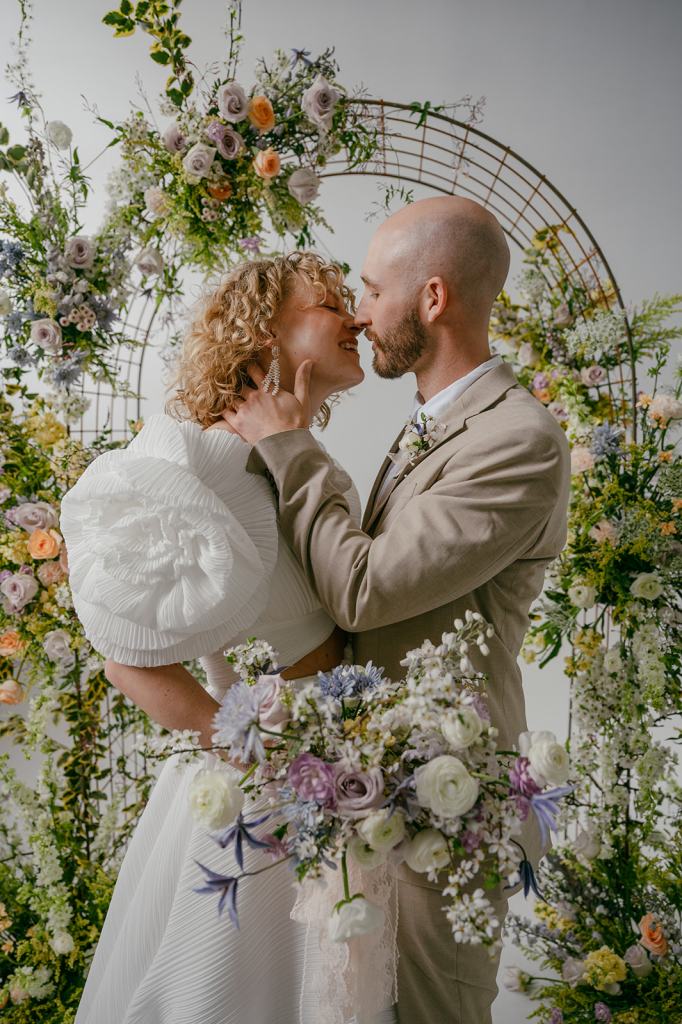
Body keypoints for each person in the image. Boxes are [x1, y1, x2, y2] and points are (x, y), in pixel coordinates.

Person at [223, 196, 572, 1024]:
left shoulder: (517, 439)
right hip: (376, 791)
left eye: (375, 290)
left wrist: (288, 445)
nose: (360, 312)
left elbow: (367, 589)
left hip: (445, 810)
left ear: (434, 299)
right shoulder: (432, 424)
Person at [62, 253, 398, 1024]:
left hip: (337, 777)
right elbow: (125, 659)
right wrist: (247, 743)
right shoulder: (200, 461)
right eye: (329, 304)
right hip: (264, 793)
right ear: (265, 333)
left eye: (355, 300)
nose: (352, 318)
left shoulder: (295, 457)